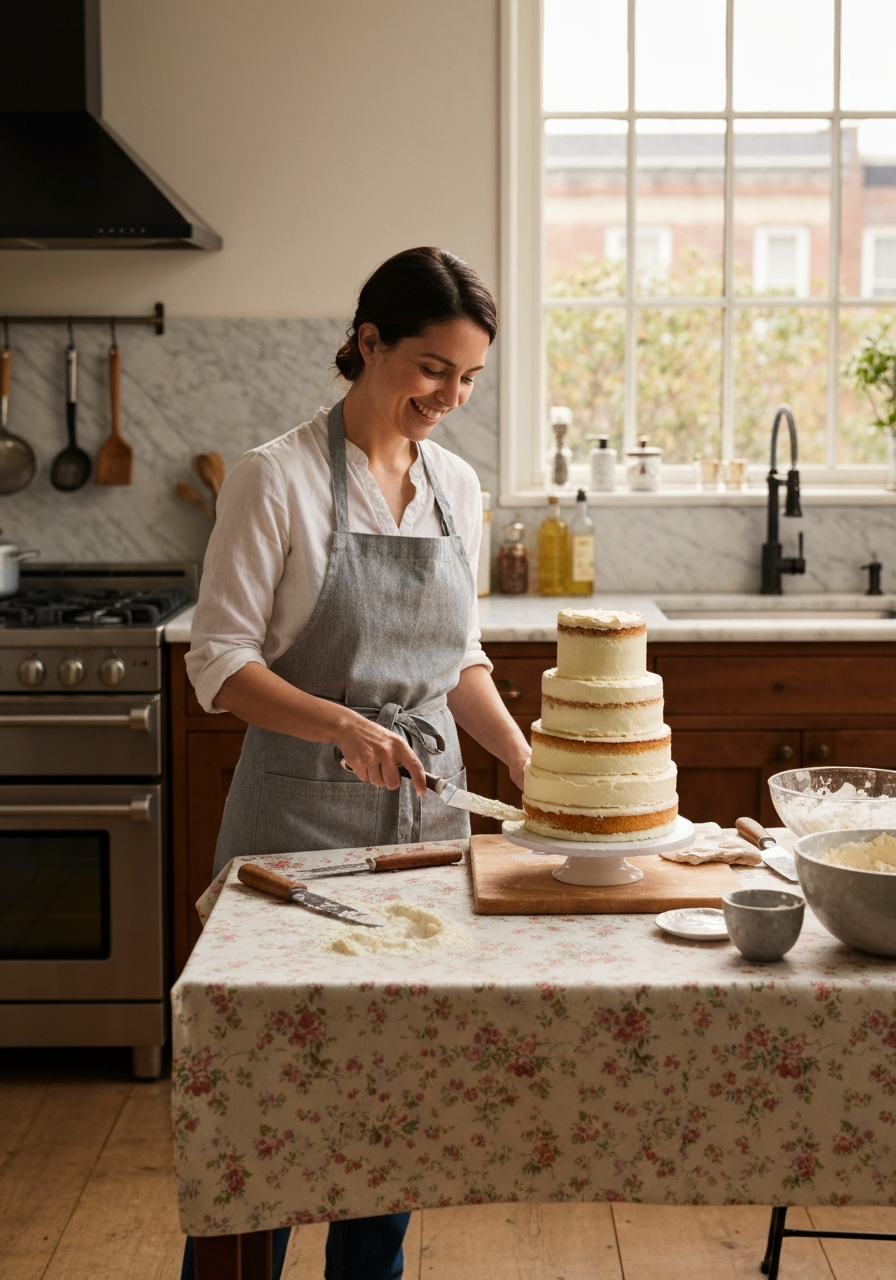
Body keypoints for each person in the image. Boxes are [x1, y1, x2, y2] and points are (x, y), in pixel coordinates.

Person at [183, 246, 531, 1280]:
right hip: (296, 834)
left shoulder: (455, 483)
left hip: (427, 828)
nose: (449, 398)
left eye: (468, 378)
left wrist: (518, 755)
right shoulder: (274, 475)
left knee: (397, 1100)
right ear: (367, 341)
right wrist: (339, 724)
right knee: (266, 1107)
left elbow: (452, 656)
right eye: (432, 368)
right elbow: (219, 663)